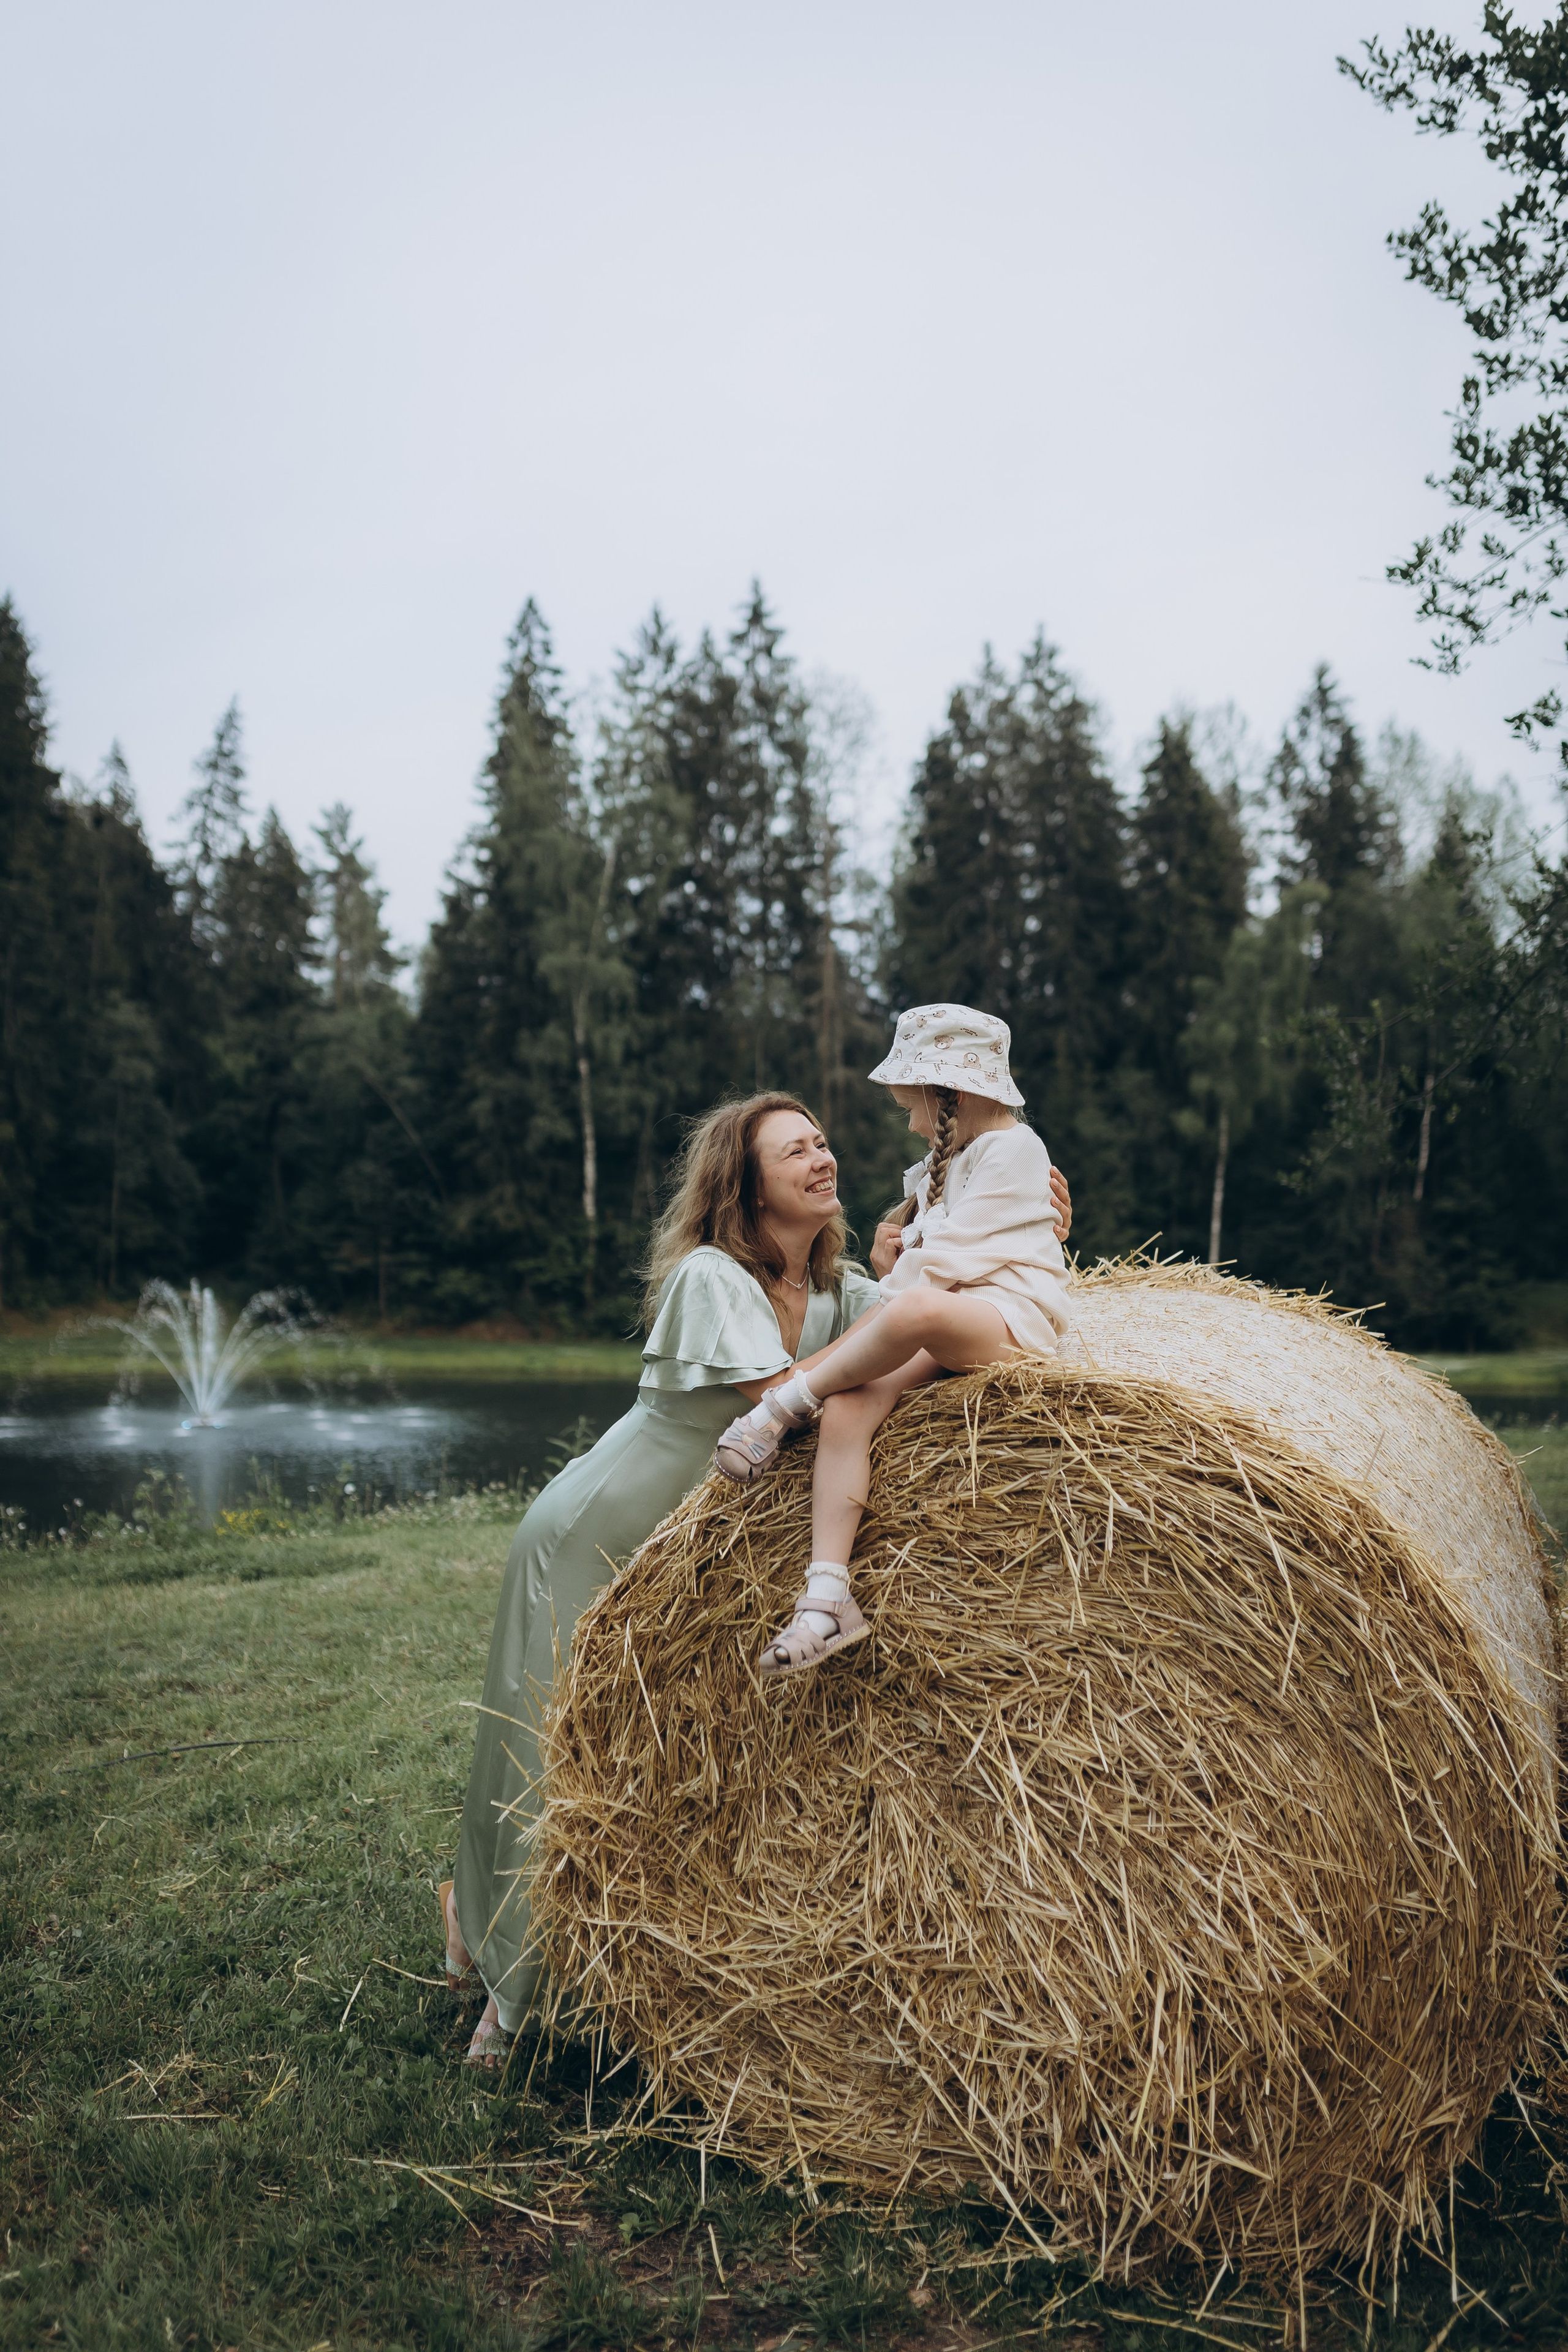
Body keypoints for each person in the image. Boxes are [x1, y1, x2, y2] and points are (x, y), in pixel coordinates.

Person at [442, 1080, 1072, 2063]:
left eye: (823, 1144)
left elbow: (923, 1333)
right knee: (540, 1748)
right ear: (746, 1187)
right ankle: (506, 1994)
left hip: (679, 1560)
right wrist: (903, 1322)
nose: (824, 1159)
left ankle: (486, 1927)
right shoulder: (710, 1277)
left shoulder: (834, 1292)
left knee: (616, 1757)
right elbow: (807, 1401)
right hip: (596, 1531)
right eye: (796, 1153)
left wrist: (994, 1235)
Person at [714, 1005, 1070, 1679]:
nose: (908, 1122)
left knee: (908, 1313)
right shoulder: (947, 1163)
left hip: (1011, 1321)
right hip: (949, 1319)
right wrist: (896, 1269)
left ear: (950, 1097)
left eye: (911, 1105)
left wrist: (897, 1280)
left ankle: (783, 1406)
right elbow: (922, 1276)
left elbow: (945, 1264)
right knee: (850, 1406)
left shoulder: (1015, 1148)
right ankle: (825, 1598)